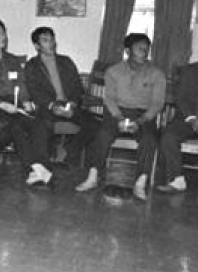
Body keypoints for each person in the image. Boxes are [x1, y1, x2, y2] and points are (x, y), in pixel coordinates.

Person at [76, 33, 166, 200]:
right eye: (140, 49)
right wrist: (118, 118)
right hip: (117, 112)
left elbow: (157, 103)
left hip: (143, 114)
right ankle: (93, 176)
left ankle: (140, 182)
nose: (144, 53)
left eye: (146, 49)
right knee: (103, 134)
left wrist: (141, 120)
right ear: (127, 51)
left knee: (149, 138)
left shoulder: (156, 74)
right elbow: (109, 99)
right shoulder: (113, 71)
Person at [0, 18, 53, 186]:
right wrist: (0, 104)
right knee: (14, 126)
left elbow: (21, 83)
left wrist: (26, 100)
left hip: (15, 105)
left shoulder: (12, 59)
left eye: (4, 33)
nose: (3, 37)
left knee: (40, 123)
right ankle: (36, 169)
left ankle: (39, 169)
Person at [24, 26, 99, 167]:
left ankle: (69, 151)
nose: (51, 43)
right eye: (45, 40)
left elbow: (77, 87)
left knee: (94, 125)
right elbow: (34, 91)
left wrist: (72, 104)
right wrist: (52, 106)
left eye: (52, 39)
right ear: (37, 46)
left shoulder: (66, 61)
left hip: (69, 105)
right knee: (42, 125)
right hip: (47, 107)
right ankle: (42, 167)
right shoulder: (32, 66)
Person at [157, 62, 198, 193]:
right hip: (188, 118)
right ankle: (177, 180)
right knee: (169, 137)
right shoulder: (189, 71)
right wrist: (192, 118)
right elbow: (181, 98)